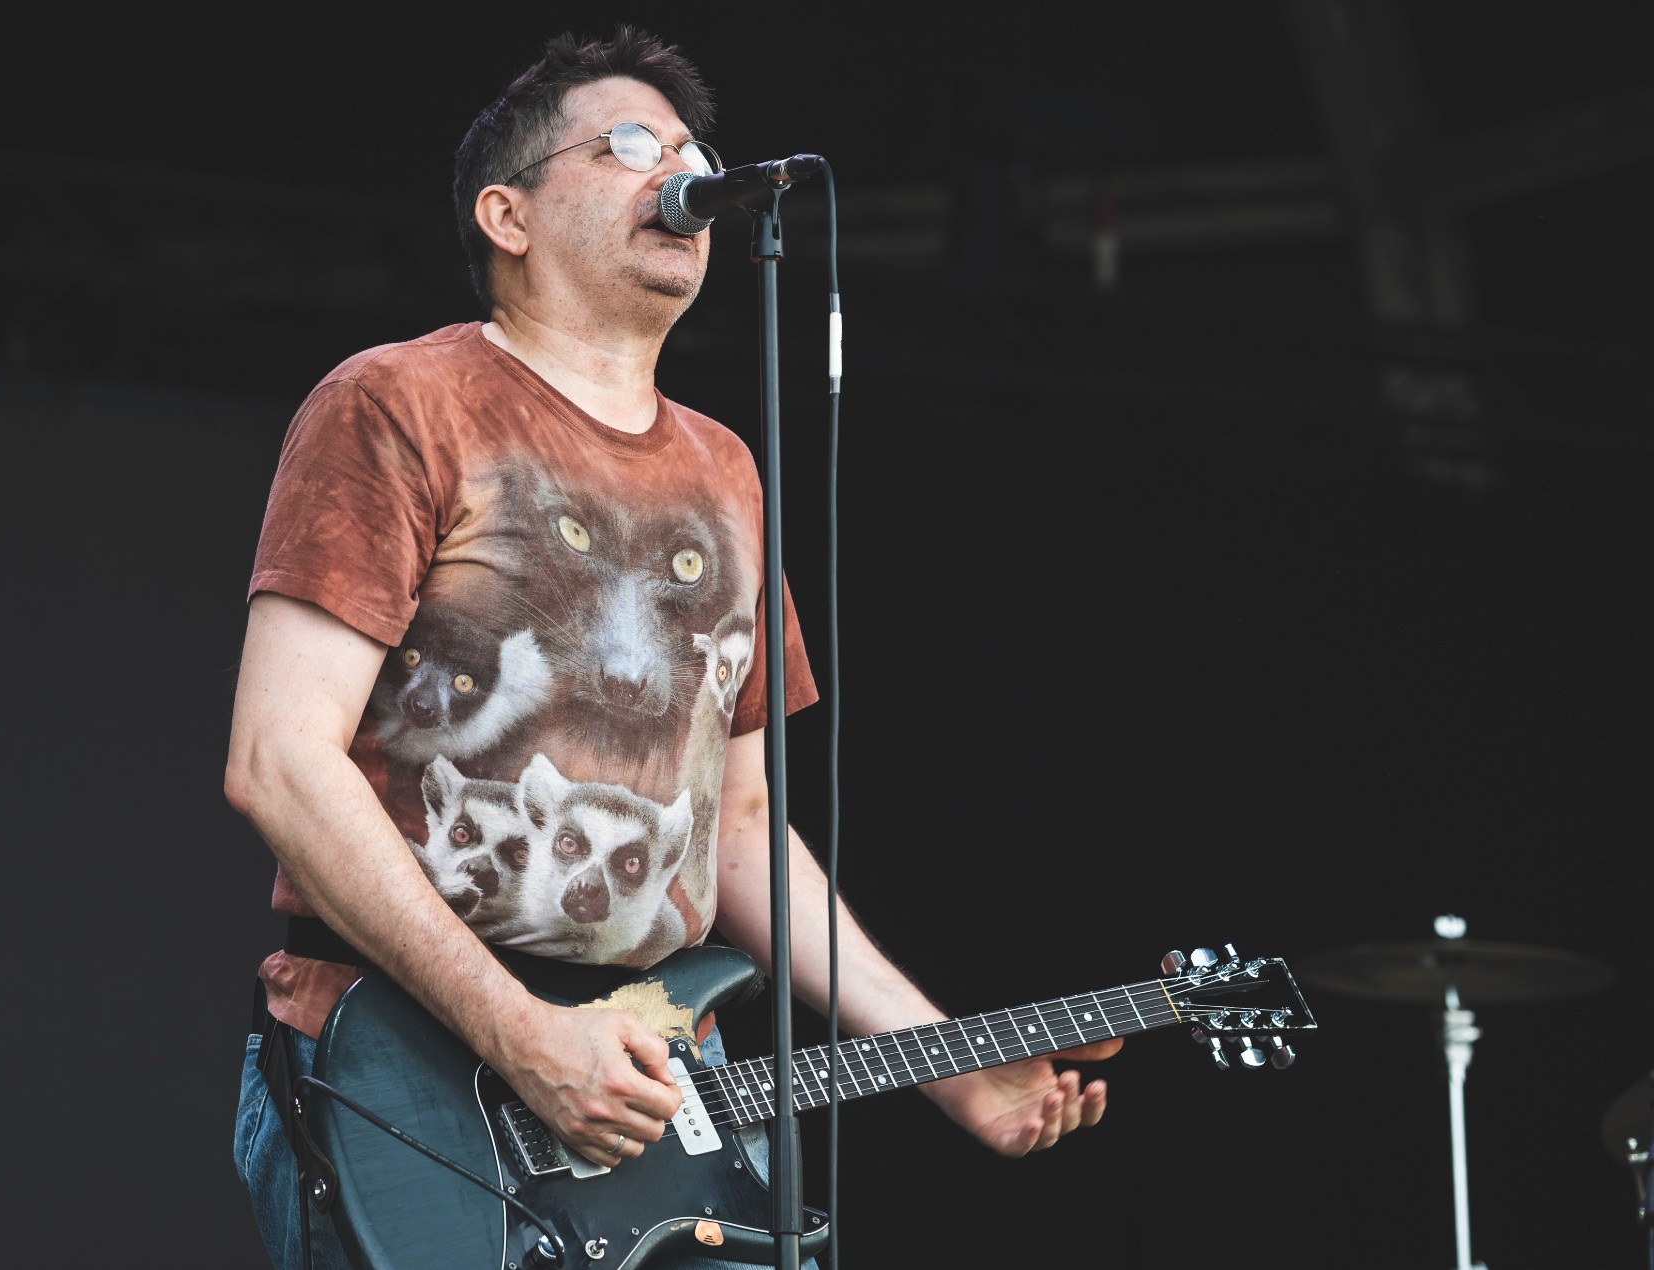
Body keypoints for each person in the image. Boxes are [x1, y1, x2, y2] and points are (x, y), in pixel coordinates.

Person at [223, 25, 1121, 1270]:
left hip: (652, 1084)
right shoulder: (396, 402)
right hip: (407, 1073)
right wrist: (521, 1030)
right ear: (507, 214)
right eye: (630, 144)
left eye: (697, 151)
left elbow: (742, 830)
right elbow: (277, 760)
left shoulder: (725, 472)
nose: (683, 171)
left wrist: (948, 1063)